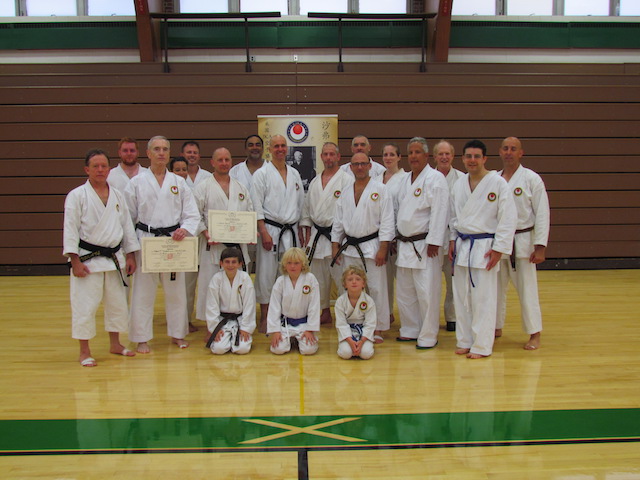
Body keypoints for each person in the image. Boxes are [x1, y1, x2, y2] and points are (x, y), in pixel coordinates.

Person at [63, 149, 139, 367]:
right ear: (87, 170)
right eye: (95, 166)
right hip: (87, 260)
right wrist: (74, 261)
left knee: (117, 304)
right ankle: (84, 351)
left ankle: (115, 344)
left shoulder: (117, 195)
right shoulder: (77, 195)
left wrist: (130, 254)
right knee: (85, 306)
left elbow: (126, 227)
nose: (100, 170)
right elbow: (70, 229)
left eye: (103, 166)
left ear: (109, 169)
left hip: (114, 258)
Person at [124, 136, 200, 353]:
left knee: (176, 291)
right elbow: (127, 219)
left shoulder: (179, 183)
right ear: (148, 153)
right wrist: (130, 251)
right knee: (143, 292)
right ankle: (141, 338)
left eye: (165, 149)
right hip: (146, 241)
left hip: (173, 241)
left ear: (169, 153)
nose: (161, 153)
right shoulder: (136, 183)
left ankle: (178, 334)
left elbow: (192, 214)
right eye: (156, 149)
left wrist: (185, 229)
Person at [448, 140, 517, 359]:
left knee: (484, 299)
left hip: (485, 247)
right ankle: (465, 340)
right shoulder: (459, 184)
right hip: (463, 246)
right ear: (463, 159)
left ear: (485, 158)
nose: (472, 160)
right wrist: (452, 240)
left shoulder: (497, 183)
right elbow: (453, 216)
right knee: (462, 297)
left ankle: (482, 345)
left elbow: (508, 218)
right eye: (468, 156)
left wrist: (499, 248)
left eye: (477, 156)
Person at [331, 152, 395, 343]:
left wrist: (383, 248)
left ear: (369, 166)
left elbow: (387, 221)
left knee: (376, 288)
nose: (359, 167)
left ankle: (378, 327)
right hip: (350, 248)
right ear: (350, 167)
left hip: (372, 247)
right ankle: (353, 323)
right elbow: (338, 222)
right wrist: (335, 245)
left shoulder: (381, 189)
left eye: (363, 164)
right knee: (351, 287)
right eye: (356, 164)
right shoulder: (345, 191)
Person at [395, 137, 449, 350]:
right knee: (405, 292)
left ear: (427, 155)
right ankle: (410, 329)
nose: (413, 156)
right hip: (405, 244)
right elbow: (398, 211)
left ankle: (428, 335)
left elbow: (440, 211)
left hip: (425, 245)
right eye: (411, 152)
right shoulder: (404, 180)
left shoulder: (435, 178)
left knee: (427, 292)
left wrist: (435, 240)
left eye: (418, 152)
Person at [496, 137, 550, 350]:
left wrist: (540, 246)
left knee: (527, 291)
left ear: (521, 153)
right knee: (495, 289)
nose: (509, 152)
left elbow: (542, 213)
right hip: (499, 243)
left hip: (523, 242)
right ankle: (495, 326)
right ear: (500, 152)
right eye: (505, 148)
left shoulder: (531, 179)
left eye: (513, 149)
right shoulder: (494, 179)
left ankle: (534, 333)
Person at [250, 134, 305, 332]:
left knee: (290, 272)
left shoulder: (294, 173)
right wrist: (263, 231)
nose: (280, 149)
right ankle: (265, 316)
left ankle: (286, 313)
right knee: (266, 274)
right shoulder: (262, 174)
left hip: (291, 230)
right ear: (269, 150)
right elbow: (256, 204)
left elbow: (301, 203)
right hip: (271, 229)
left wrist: (301, 228)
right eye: (276, 146)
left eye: (283, 146)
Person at [194, 147, 254, 325]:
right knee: (209, 286)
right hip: (212, 246)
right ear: (212, 162)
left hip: (237, 246)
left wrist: (250, 231)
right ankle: (210, 326)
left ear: (231, 162)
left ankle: (240, 320)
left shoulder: (240, 187)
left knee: (239, 286)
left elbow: (249, 212)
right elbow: (195, 215)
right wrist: (205, 231)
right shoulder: (203, 187)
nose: (224, 163)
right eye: (220, 160)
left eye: (227, 159)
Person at [299, 142, 353, 324]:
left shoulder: (346, 180)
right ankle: (324, 311)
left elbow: (350, 210)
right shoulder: (315, 181)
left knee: (341, 277)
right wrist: (306, 226)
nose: (328, 158)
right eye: (325, 154)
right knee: (318, 279)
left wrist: (342, 236)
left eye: (332, 154)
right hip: (317, 236)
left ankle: (347, 312)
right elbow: (307, 208)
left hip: (336, 237)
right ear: (321, 157)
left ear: (338, 157)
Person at [372, 142, 407, 325]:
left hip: (400, 238)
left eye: (392, 154)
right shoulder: (376, 179)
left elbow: (405, 209)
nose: (388, 158)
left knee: (402, 280)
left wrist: (395, 235)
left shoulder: (406, 179)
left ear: (399, 157)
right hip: (378, 237)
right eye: (385, 155)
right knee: (382, 279)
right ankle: (387, 313)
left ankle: (407, 318)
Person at [433, 140, 465, 332]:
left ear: (453, 156)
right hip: (432, 240)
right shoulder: (428, 178)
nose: (444, 157)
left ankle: (452, 316)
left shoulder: (462, 179)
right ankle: (429, 318)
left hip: (454, 238)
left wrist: (454, 237)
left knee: (454, 281)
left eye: (447, 154)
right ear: (435, 157)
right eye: (441, 154)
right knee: (431, 282)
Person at [267, 247, 320, 355]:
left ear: (303, 264)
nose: (292, 266)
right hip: (286, 324)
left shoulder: (310, 279)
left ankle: (297, 339)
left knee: (308, 350)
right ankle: (290, 339)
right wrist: (275, 331)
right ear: (284, 265)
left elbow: (314, 306)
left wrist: (310, 329)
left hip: (304, 323)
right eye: (289, 263)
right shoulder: (280, 281)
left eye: (296, 263)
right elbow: (274, 306)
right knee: (278, 349)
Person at [204, 247, 256, 355]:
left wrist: (246, 327)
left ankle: (234, 339)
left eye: (234, 262)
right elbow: (211, 305)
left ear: (240, 264)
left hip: (240, 319)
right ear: (221, 263)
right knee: (218, 349)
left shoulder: (245, 278)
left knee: (242, 349)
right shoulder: (216, 279)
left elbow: (249, 305)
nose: (230, 265)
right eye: (227, 262)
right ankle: (228, 339)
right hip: (223, 320)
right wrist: (215, 328)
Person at [230, 135, 265, 270]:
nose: (254, 148)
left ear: (263, 149)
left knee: (265, 271)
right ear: (245, 149)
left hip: (267, 227)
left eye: (258, 144)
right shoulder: (235, 171)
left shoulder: (270, 170)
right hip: (242, 227)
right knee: (243, 267)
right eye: (250, 145)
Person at [335, 265, 376, 360]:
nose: (354, 282)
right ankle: (350, 346)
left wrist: (361, 341)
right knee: (345, 353)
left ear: (363, 284)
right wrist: (350, 341)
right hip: (347, 333)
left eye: (358, 279)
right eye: (350, 279)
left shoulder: (369, 301)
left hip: (363, 333)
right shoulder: (340, 301)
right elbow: (341, 324)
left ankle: (361, 346)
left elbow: (370, 324)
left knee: (366, 354)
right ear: (344, 284)